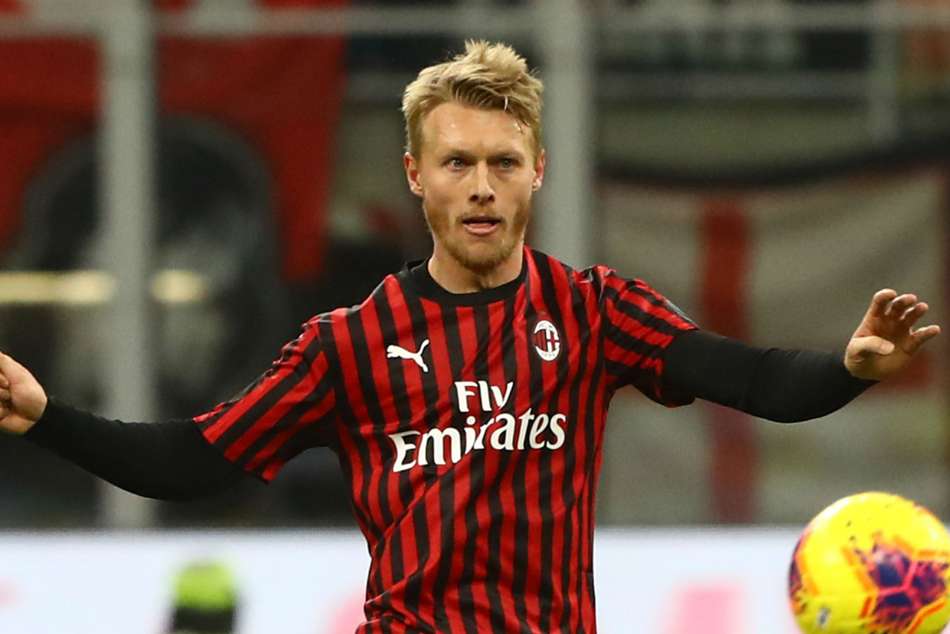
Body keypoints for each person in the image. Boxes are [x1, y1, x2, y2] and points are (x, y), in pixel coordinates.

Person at [0, 40, 942, 633]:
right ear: (416, 174)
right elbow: (193, 460)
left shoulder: (594, 311)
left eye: (503, 162)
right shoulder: (349, 345)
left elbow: (753, 380)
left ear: (539, 172)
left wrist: (848, 367)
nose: (482, 186)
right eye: (457, 162)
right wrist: (47, 417)